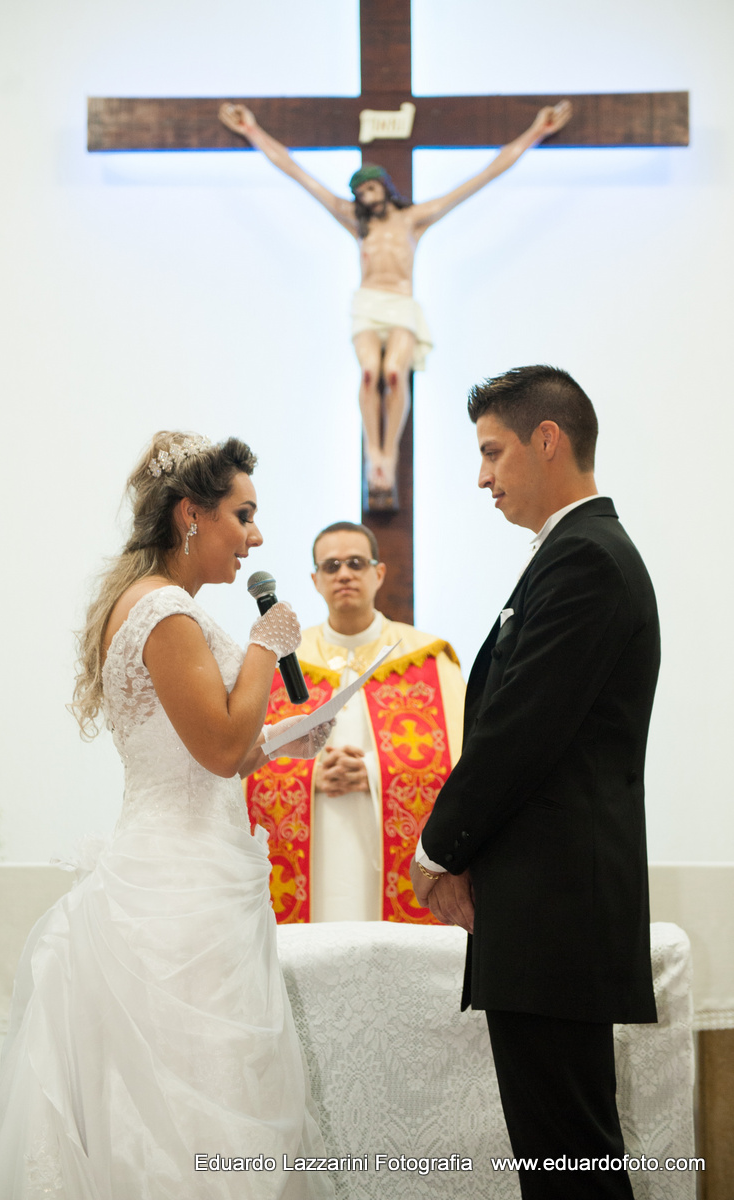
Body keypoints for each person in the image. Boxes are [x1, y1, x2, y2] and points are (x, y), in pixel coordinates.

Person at [0, 432, 335, 1200]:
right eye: (244, 514)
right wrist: (266, 646)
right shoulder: (164, 610)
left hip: (185, 867)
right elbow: (220, 750)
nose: (256, 537)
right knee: (190, 1096)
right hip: (178, 895)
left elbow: (206, 741)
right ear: (190, 515)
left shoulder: (161, 605)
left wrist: (288, 741)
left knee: (192, 1091)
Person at [410, 366, 660, 1200]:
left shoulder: (585, 559)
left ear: (545, 439)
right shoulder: (572, 553)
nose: (481, 476)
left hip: (555, 910)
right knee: (563, 1159)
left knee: (570, 1163)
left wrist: (436, 848)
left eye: (492, 452)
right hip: (548, 910)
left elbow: (520, 727)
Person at [218, 101, 572, 506]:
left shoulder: (413, 220)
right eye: (360, 193)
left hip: (401, 304)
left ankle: (391, 451)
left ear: (384, 186)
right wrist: (252, 132)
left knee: (392, 374)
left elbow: (483, 177)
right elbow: (298, 173)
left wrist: (535, 133)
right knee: (370, 373)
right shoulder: (354, 222)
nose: (366, 197)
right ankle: (378, 456)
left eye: (370, 188)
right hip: (367, 305)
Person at [246, 521, 465, 923]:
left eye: (355, 563)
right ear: (315, 580)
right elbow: (245, 762)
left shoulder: (429, 659)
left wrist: (373, 770)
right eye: (331, 566)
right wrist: (307, 779)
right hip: (316, 853)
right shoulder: (282, 664)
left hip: (387, 861)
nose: (343, 574)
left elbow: (460, 763)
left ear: (378, 573)